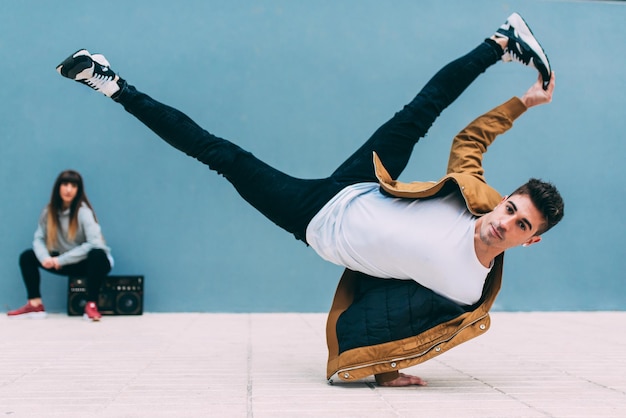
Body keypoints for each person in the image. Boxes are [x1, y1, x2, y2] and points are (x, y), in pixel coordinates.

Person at [55, 13, 563, 385]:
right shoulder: (474, 201)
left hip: (313, 220)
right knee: (421, 111)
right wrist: (523, 101)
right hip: (364, 183)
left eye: (521, 225)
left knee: (223, 157)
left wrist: (383, 369)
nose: (505, 221)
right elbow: (469, 142)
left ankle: (113, 86)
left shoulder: (469, 292)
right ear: (503, 202)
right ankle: (502, 40)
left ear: (531, 242)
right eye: (511, 208)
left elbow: (404, 315)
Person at [8, 170, 114, 321]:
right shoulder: (49, 211)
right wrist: (45, 258)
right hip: (64, 262)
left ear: (78, 190)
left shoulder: (83, 212)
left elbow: (95, 243)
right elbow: (38, 238)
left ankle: (91, 305)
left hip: (92, 263)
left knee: (97, 253)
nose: (69, 189)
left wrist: (60, 260)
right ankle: (35, 305)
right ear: (58, 187)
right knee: (27, 256)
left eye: (74, 186)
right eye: (65, 184)